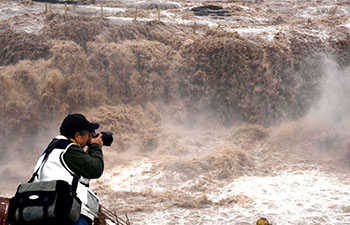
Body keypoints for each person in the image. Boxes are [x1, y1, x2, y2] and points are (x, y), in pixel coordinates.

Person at [32, 113, 104, 225]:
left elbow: (79, 169)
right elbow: (96, 169)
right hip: (65, 214)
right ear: (78, 136)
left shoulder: (54, 147)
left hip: (43, 208)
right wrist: (95, 147)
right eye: (88, 133)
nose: (90, 136)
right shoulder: (70, 149)